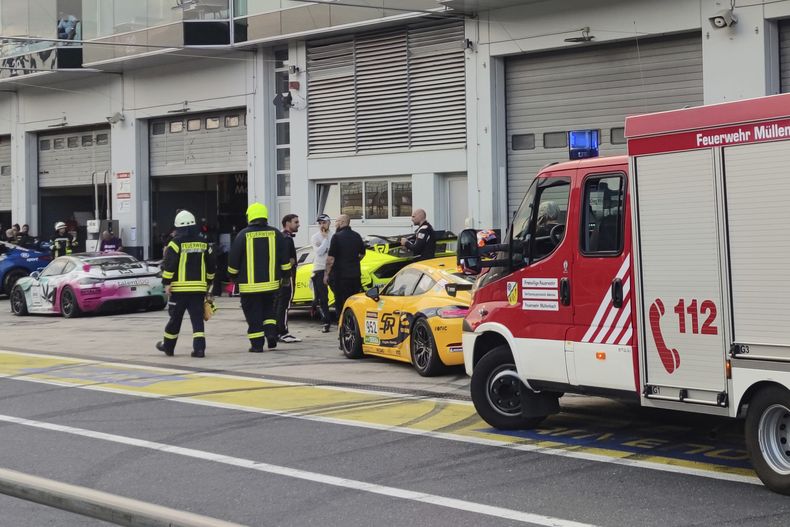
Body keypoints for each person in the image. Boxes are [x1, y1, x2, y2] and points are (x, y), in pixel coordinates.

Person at [228, 203, 289, 353]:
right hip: (271, 285)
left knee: (253, 315)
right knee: (269, 311)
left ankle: (257, 345)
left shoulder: (242, 235)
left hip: (249, 287)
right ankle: (271, 334)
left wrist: (233, 277)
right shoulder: (276, 234)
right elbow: (285, 259)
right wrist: (286, 277)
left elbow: (233, 260)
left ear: (250, 217)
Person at [156, 210, 216, 358]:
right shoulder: (204, 243)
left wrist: (167, 283)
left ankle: (168, 347)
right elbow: (211, 266)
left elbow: (170, 265)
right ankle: (199, 349)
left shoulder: (175, 244)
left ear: (178, 227)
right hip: (198, 289)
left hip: (179, 290)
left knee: (175, 319)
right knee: (197, 320)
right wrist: (208, 284)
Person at [324, 214, 366, 327]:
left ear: (342, 222)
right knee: (354, 302)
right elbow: (362, 254)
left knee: (341, 302)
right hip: (355, 276)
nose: (335, 224)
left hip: (340, 276)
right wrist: (353, 262)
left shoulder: (337, 237)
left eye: (337, 221)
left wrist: (326, 274)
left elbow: (331, 258)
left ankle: (343, 326)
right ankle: (354, 324)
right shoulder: (357, 236)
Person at [275, 214, 301, 343]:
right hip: (286, 276)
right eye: (296, 222)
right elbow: (287, 259)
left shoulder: (280, 237)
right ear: (287, 223)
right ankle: (283, 332)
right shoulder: (286, 239)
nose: (298, 224)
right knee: (284, 304)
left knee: (279, 304)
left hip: (280, 276)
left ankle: (276, 331)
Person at [311, 214, 332, 333]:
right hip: (319, 269)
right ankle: (326, 322)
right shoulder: (315, 237)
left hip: (332, 268)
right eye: (319, 223)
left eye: (324, 222)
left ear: (329, 223)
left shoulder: (334, 235)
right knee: (322, 298)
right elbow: (319, 252)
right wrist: (324, 239)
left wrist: (327, 240)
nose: (321, 225)